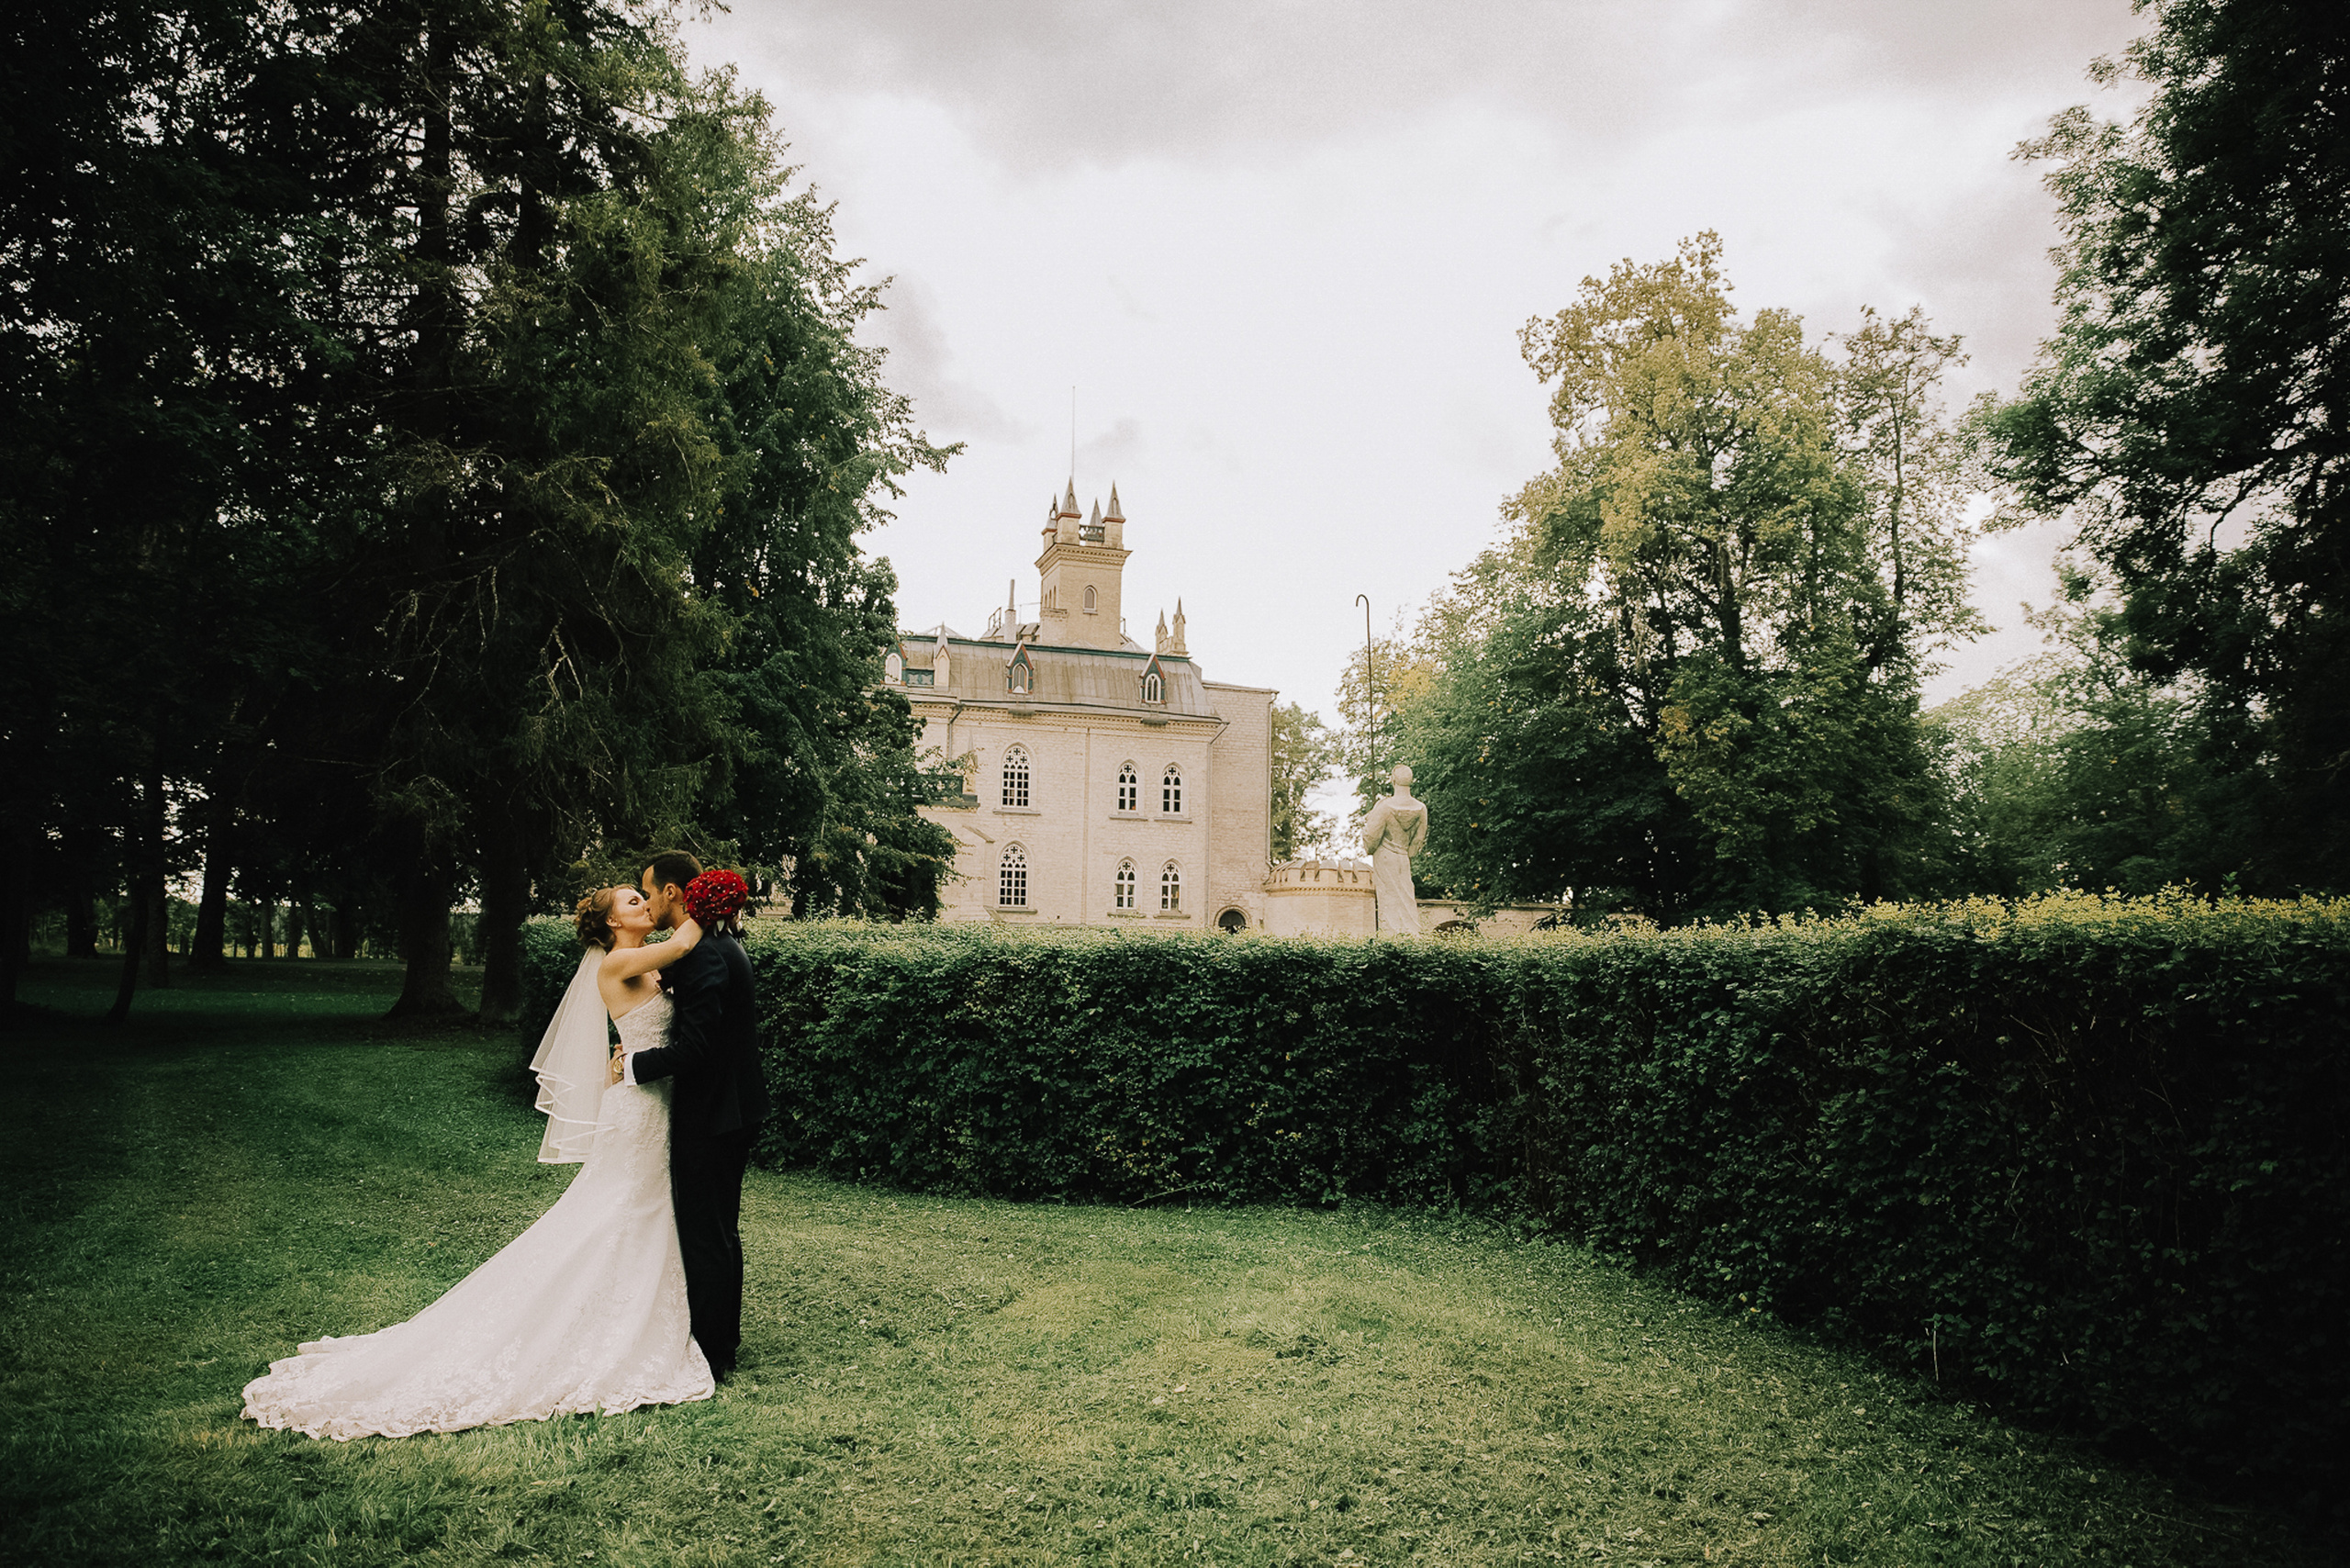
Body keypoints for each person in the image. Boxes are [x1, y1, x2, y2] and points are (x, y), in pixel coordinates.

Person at [240, 888, 713, 1439]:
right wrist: (713, 897)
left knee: (632, 1209)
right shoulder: (619, 961)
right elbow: (683, 943)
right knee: (621, 1210)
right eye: (634, 900)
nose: (645, 904)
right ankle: (602, 1321)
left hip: (649, 1100)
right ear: (611, 921)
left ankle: (628, 1311)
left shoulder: (641, 965)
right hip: (636, 1112)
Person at [613, 851, 770, 1384]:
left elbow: (696, 1050)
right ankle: (723, 1337)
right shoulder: (719, 946)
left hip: (714, 1113)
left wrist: (632, 1063)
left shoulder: (706, 956)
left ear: (674, 893)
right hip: (734, 1107)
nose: (649, 901)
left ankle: (711, 1351)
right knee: (721, 1229)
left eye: (650, 892)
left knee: (707, 1231)